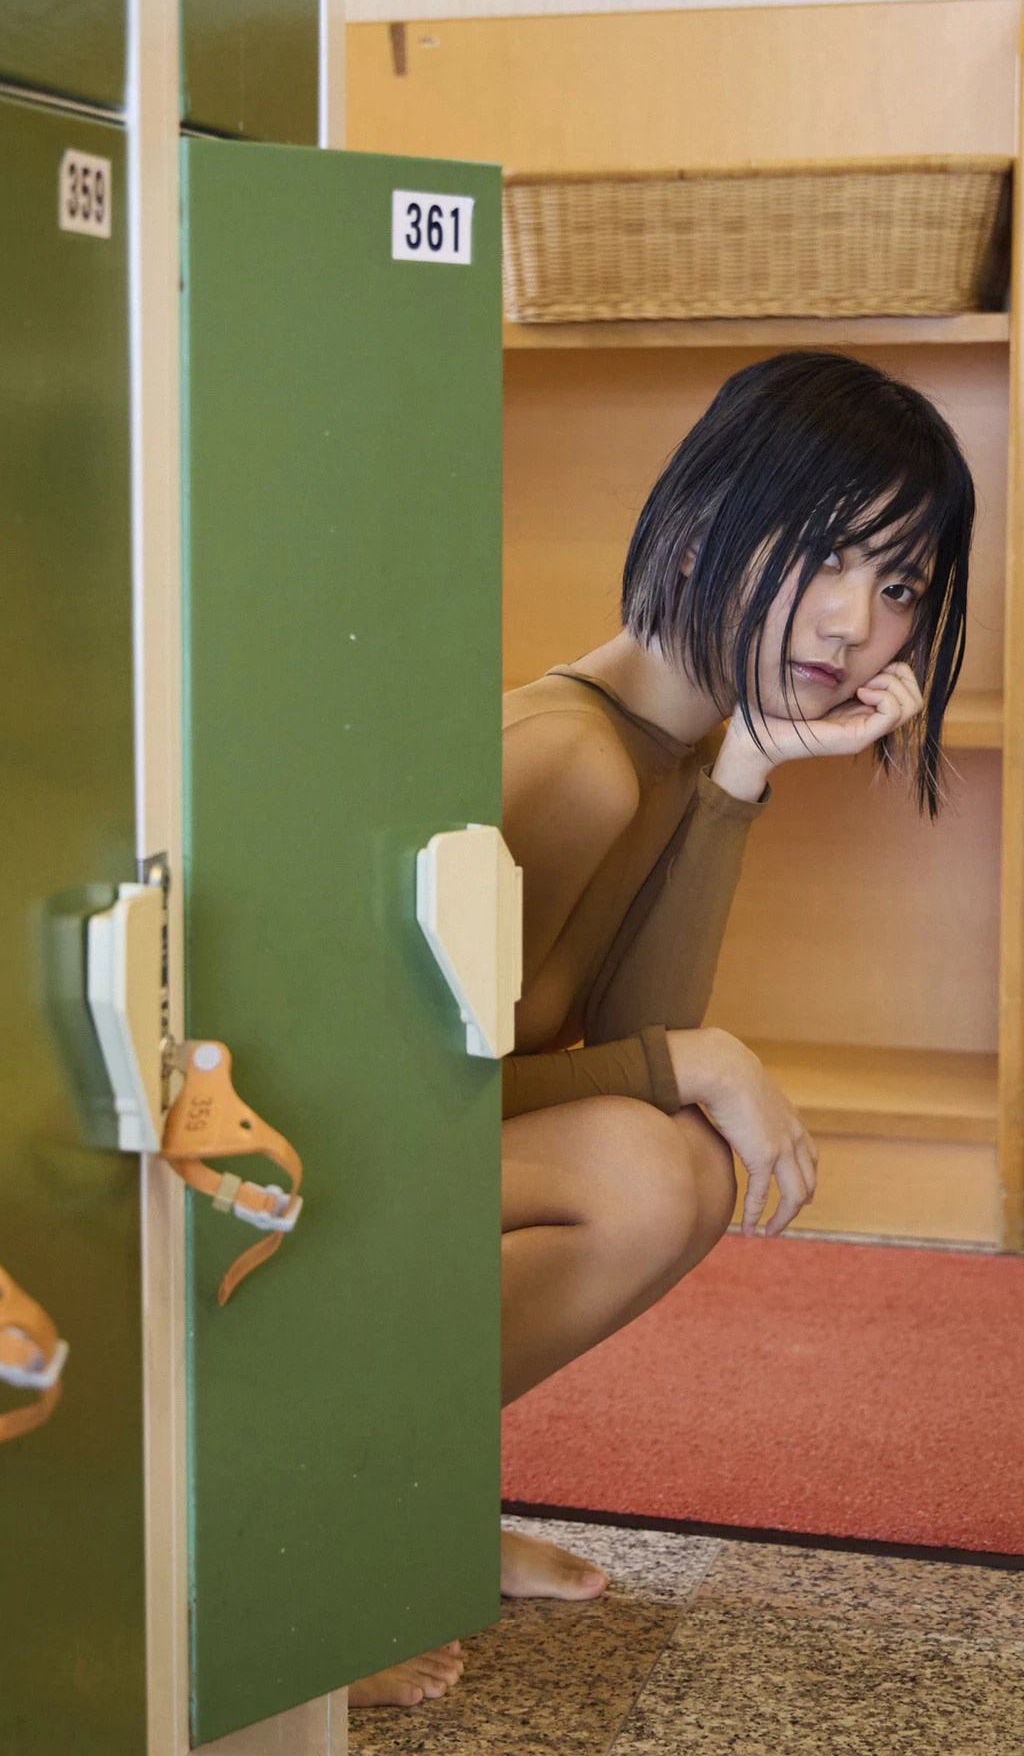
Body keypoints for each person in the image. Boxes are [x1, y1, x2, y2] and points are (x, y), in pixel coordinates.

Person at [349, 350, 976, 1709]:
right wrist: (692, 1061)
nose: (856, 622)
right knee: (652, 1167)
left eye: (901, 585)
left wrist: (744, 770)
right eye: (825, 552)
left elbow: (629, 1044)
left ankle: (405, 1502)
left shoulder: (667, 750)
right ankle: (315, 1545)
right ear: (699, 528)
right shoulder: (569, 759)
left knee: (674, 1156)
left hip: (383, 1172)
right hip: (288, 1192)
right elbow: (388, 1100)